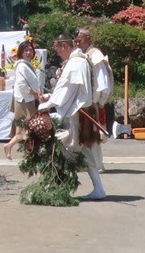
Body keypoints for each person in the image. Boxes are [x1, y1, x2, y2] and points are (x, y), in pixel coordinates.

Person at [40, 33, 107, 200]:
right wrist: (51, 98)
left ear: (64, 46)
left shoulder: (76, 62)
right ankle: (94, 188)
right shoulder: (80, 60)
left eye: (58, 50)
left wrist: (49, 104)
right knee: (83, 150)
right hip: (83, 111)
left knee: (68, 148)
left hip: (79, 114)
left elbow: (67, 88)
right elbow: (69, 88)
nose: (58, 54)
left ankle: (59, 185)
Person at [4, 39, 44, 160]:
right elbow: (22, 84)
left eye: (30, 50)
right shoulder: (22, 65)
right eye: (25, 50)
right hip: (24, 100)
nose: (28, 52)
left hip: (28, 99)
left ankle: (15, 148)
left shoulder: (27, 64)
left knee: (25, 129)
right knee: (28, 128)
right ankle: (27, 153)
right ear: (21, 52)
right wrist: (33, 93)